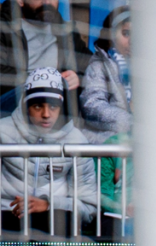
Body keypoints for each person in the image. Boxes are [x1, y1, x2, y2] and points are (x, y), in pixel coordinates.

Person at [0, 69, 97, 236]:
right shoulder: (2, 131)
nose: (46, 115)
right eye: (38, 106)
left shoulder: (77, 140)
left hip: (55, 225)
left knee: (64, 221)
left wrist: (48, 203)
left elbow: (89, 207)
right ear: (26, 106)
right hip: (5, 220)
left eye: (53, 106)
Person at [0, 0, 87, 116]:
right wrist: (42, 81)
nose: (47, 1)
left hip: (56, 109)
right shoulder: (4, 28)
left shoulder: (66, 32)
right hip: (14, 106)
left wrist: (77, 76)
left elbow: (91, 64)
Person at [81, 6, 132, 137]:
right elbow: (92, 105)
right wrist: (131, 123)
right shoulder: (99, 65)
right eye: (126, 33)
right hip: (108, 137)